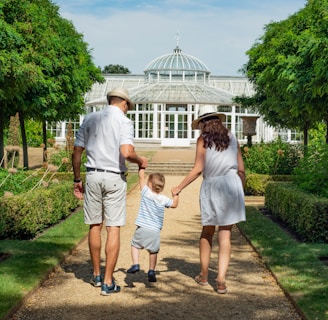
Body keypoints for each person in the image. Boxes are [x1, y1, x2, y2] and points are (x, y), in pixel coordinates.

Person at [72, 87, 148, 296]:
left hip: (93, 175)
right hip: (114, 177)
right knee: (113, 228)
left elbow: (77, 151)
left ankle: (96, 275)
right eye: (127, 107)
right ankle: (108, 281)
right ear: (124, 103)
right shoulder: (123, 121)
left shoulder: (90, 118)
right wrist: (140, 160)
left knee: (94, 225)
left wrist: (77, 179)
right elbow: (126, 152)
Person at [171, 105, 245, 294]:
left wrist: (179, 187)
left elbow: (198, 168)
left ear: (203, 123)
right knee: (225, 233)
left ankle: (204, 275)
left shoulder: (203, 140)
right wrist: (241, 189)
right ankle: (220, 279)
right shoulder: (231, 136)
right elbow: (241, 168)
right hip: (232, 184)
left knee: (207, 231)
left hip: (213, 186)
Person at [127, 168, 179, 282]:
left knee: (135, 245)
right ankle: (151, 270)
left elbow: (141, 177)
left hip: (142, 227)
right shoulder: (164, 199)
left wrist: (141, 168)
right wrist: (176, 194)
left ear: (149, 184)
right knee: (153, 251)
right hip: (155, 231)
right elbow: (174, 204)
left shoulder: (146, 193)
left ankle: (135, 264)